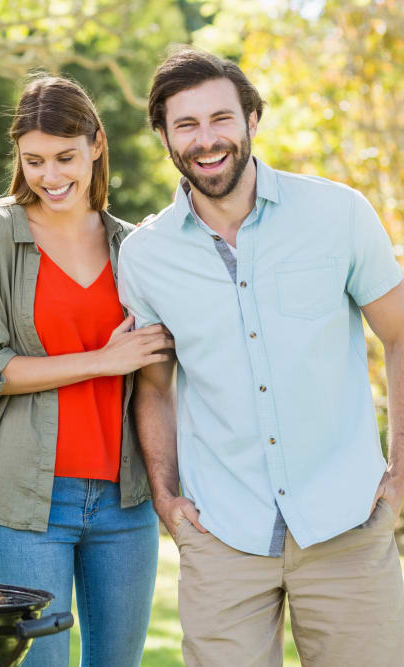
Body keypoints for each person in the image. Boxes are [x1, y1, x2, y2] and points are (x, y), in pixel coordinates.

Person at [119, 48, 404, 666]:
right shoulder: (145, 255)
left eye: (221, 118)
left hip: (347, 523)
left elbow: (400, 333)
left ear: (252, 119)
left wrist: (400, 470)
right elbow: (155, 385)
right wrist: (167, 497)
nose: (206, 140)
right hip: (223, 533)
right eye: (186, 125)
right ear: (165, 136)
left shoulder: (339, 214)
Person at [0, 76, 173, 667]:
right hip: (28, 502)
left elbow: (159, 381)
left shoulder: (133, 246)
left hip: (123, 506)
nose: (50, 176)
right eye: (33, 161)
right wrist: (103, 360)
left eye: (65, 158)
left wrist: (168, 489)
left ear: (96, 144)